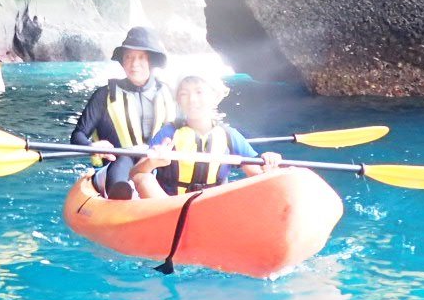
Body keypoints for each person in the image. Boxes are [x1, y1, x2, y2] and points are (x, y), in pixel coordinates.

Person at [131, 74, 281, 199]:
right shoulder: (169, 133)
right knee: (143, 178)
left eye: (199, 92)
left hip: (211, 210)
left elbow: (259, 176)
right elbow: (135, 173)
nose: (192, 99)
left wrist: (269, 162)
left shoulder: (229, 136)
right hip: (169, 210)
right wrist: (151, 163)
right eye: (184, 94)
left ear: (214, 97)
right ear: (178, 101)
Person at [70, 26, 174, 199]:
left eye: (141, 57)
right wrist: (90, 147)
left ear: (151, 61)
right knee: (123, 160)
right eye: (128, 57)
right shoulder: (104, 95)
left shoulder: (168, 94)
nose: (134, 64)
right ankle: (119, 198)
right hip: (115, 168)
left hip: (156, 165)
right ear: (122, 62)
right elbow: (78, 135)